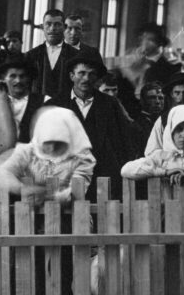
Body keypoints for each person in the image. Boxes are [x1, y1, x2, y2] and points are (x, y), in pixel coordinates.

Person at [47, 57, 136, 193]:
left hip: (105, 179)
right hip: (67, 177)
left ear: (96, 78)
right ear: (72, 76)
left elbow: (126, 141)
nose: (86, 78)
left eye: (91, 74)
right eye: (81, 73)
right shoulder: (55, 105)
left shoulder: (110, 104)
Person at [0, 106, 95, 203]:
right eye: (48, 142)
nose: (52, 148)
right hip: (29, 215)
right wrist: (22, 189)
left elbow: (76, 190)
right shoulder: (27, 151)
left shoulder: (83, 158)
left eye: (58, 143)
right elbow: (1, 174)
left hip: (72, 217)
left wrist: (49, 197)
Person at [23, 8, 78, 101]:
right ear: (42, 27)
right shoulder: (31, 55)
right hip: (38, 108)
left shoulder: (75, 55)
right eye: (48, 24)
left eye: (57, 24)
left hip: (66, 108)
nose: (52, 28)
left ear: (64, 27)